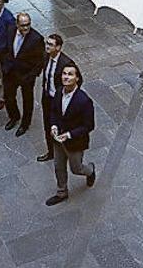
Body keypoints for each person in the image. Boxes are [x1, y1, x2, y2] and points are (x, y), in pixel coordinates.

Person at [46, 62, 96, 206]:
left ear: (77, 78)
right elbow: (54, 112)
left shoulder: (84, 100)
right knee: (58, 166)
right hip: (58, 140)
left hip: (74, 141)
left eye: (70, 74)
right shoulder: (58, 92)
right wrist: (54, 125)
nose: (66, 77)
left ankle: (90, 170)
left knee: (77, 168)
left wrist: (69, 135)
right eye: (64, 73)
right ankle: (62, 192)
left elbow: (89, 125)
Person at [0, 12, 44, 136]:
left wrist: (32, 76)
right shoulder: (10, 30)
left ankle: (25, 124)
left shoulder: (36, 38)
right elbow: (5, 48)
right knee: (9, 97)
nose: (25, 28)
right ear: (17, 24)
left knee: (27, 100)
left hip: (26, 75)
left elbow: (40, 60)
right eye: (23, 25)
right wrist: (4, 64)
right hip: (10, 72)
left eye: (28, 25)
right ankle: (14, 117)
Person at [37, 34, 73, 162]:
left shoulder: (66, 63)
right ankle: (51, 151)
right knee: (48, 125)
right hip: (47, 98)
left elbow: (77, 81)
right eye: (47, 43)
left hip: (59, 100)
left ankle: (65, 151)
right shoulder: (46, 56)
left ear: (58, 47)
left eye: (51, 44)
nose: (47, 46)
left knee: (61, 125)